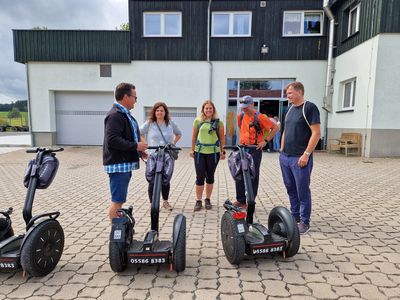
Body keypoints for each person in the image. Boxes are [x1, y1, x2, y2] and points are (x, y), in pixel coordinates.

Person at [279, 81, 321, 235]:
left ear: (299, 92)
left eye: (289, 93)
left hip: (300, 158)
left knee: (302, 190)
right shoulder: (289, 109)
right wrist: (281, 150)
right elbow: (285, 131)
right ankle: (295, 216)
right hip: (285, 158)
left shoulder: (309, 108)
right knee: (290, 188)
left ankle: (305, 222)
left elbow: (316, 133)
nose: (287, 96)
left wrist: (306, 154)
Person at [103, 82, 148, 220]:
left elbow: (128, 134)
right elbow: (113, 140)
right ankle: (115, 236)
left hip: (123, 165)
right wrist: (136, 146)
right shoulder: (115, 115)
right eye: (135, 97)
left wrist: (139, 151)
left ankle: (119, 231)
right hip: (118, 166)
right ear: (126, 97)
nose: (136, 100)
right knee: (117, 201)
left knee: (119, 200)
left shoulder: (123, 114)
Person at [234, 95, 279, 209]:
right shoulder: (240, 116)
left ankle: (251, 201)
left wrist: (265, 141)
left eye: (246, 107)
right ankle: (241, 200)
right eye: (242, 107)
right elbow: (241, 129)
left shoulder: (260, 117)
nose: (244, 109)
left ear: (252, 105)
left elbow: (275, 128)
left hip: (255, 149)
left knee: (253, 175)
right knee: (239, 173)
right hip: (242, 148)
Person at [140, 102, 182, 210]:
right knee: (152, 178)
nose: (159, 112)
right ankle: (152, 203)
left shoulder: (170, 123)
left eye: (162, 110)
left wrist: (173, 143)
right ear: (154, 112)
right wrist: (145, 144)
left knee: (165, 178)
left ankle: (165, 202)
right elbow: (138, 132)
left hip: (167, 154)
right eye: (157, 110)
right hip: (153, 154)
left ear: (165, 112)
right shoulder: (150, 123)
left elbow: (179, 133)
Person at [190, 100, 225, 211]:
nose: (208, 110)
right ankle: (198, 200)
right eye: (206, 108)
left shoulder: (219, 122)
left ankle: (208, 199)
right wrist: (192, 150)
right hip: (200, 152)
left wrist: (222, 151)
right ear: (203, 110)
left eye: (210, 108)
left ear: (213, 109)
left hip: (213, 152)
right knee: (200, 177)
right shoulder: (198, 121)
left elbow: (222, 138)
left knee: (210, 176)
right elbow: (194, 137)